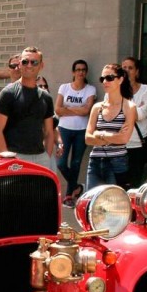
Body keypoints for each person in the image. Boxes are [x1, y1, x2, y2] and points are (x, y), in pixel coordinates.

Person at [0, 47, 55, 167]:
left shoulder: (46, 97)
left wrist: (47, 156)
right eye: (25, 62)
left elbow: (48, 132)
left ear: (41, 65)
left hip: (41, 158)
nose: (29, 65)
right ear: (20, 64)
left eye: (34, 62)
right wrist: (7, 159)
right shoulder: (8, 93)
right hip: (15, 157)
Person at [85, 64, 136, 190]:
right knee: (91, 203)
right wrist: (114, 136)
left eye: (110, 78)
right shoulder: (97, 107)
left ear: (120, 79)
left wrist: (99, 134)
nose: (105, 82)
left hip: (117, 162)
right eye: (102, 79)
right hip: (95, 161)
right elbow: (87, 138)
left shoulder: (129, 107)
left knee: (114, 205)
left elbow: (124, 139)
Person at [55, 59, 96, 206]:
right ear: (73, 72)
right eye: (78, 70)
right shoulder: (64, 88)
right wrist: (77, 110)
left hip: (81, 130)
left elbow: (86, 111)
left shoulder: (90, 89)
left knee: (76, 163)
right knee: (60, 163)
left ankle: (68, 196)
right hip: (64, 129)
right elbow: (57, 109)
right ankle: (76, 187)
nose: (81, 72)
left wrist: (67, 110)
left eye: (83, 70)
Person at [122, 57, 147, 188]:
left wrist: (125, 111)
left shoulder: (145, 89)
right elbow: (112, 115)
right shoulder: (114, 90)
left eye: (130, 68)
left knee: (135, 183)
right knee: (120, 183)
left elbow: (142, 114)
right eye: (124, 68)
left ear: (137, 71)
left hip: (137, 143)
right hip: (119, 143)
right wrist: (135, 108)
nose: (127, 71)